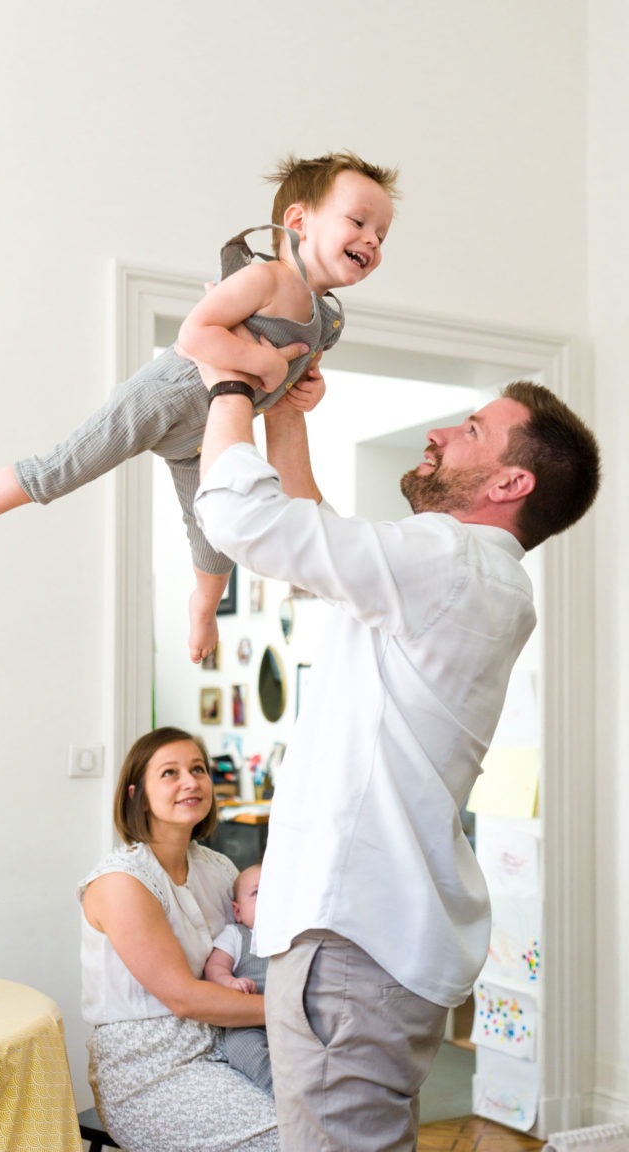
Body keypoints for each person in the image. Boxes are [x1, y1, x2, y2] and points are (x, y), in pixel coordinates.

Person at [194, 372, 600, 1151]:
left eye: (472, 430)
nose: (442, 434)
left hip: (349, 946)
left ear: (512, 481)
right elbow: (309, 540)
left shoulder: (445, 557)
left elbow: (245, 519)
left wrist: (231, 387)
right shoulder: (479, 579)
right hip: (380, 947)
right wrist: (285, 418)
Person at [0, 151, 399, 663]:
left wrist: (309, 390)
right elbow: (195, 332)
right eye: (359, 222)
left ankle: (203, 608)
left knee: (215, 537)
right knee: (61, 469)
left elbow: (300, 383)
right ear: (298, 221)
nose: (371, 240)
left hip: (205, 436)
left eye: (381, 236)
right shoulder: (266, 279)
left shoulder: (327, 321)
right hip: (162, 397)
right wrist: (261, 361)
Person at [77, 726, 279, 1151]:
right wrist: (293, 1010)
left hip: (233, 1042)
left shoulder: (220, 869)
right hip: (150, 1069)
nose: (191, 781)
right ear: (138, 794)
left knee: (334, 1117)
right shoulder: (121, 882)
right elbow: (184, 998)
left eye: (198, 769)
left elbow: (246, 952)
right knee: (286, 1138)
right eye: (170, 773)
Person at [205, 862, 272, 1093]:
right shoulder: (235, 934)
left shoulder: (295, 938)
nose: (269, 898)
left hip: (293, 1017)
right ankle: (278, 1087)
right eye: (257, 893)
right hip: (247, 1020)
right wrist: (230, 982)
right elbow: (215, 968)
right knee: (242, 1046)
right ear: (237, 911)